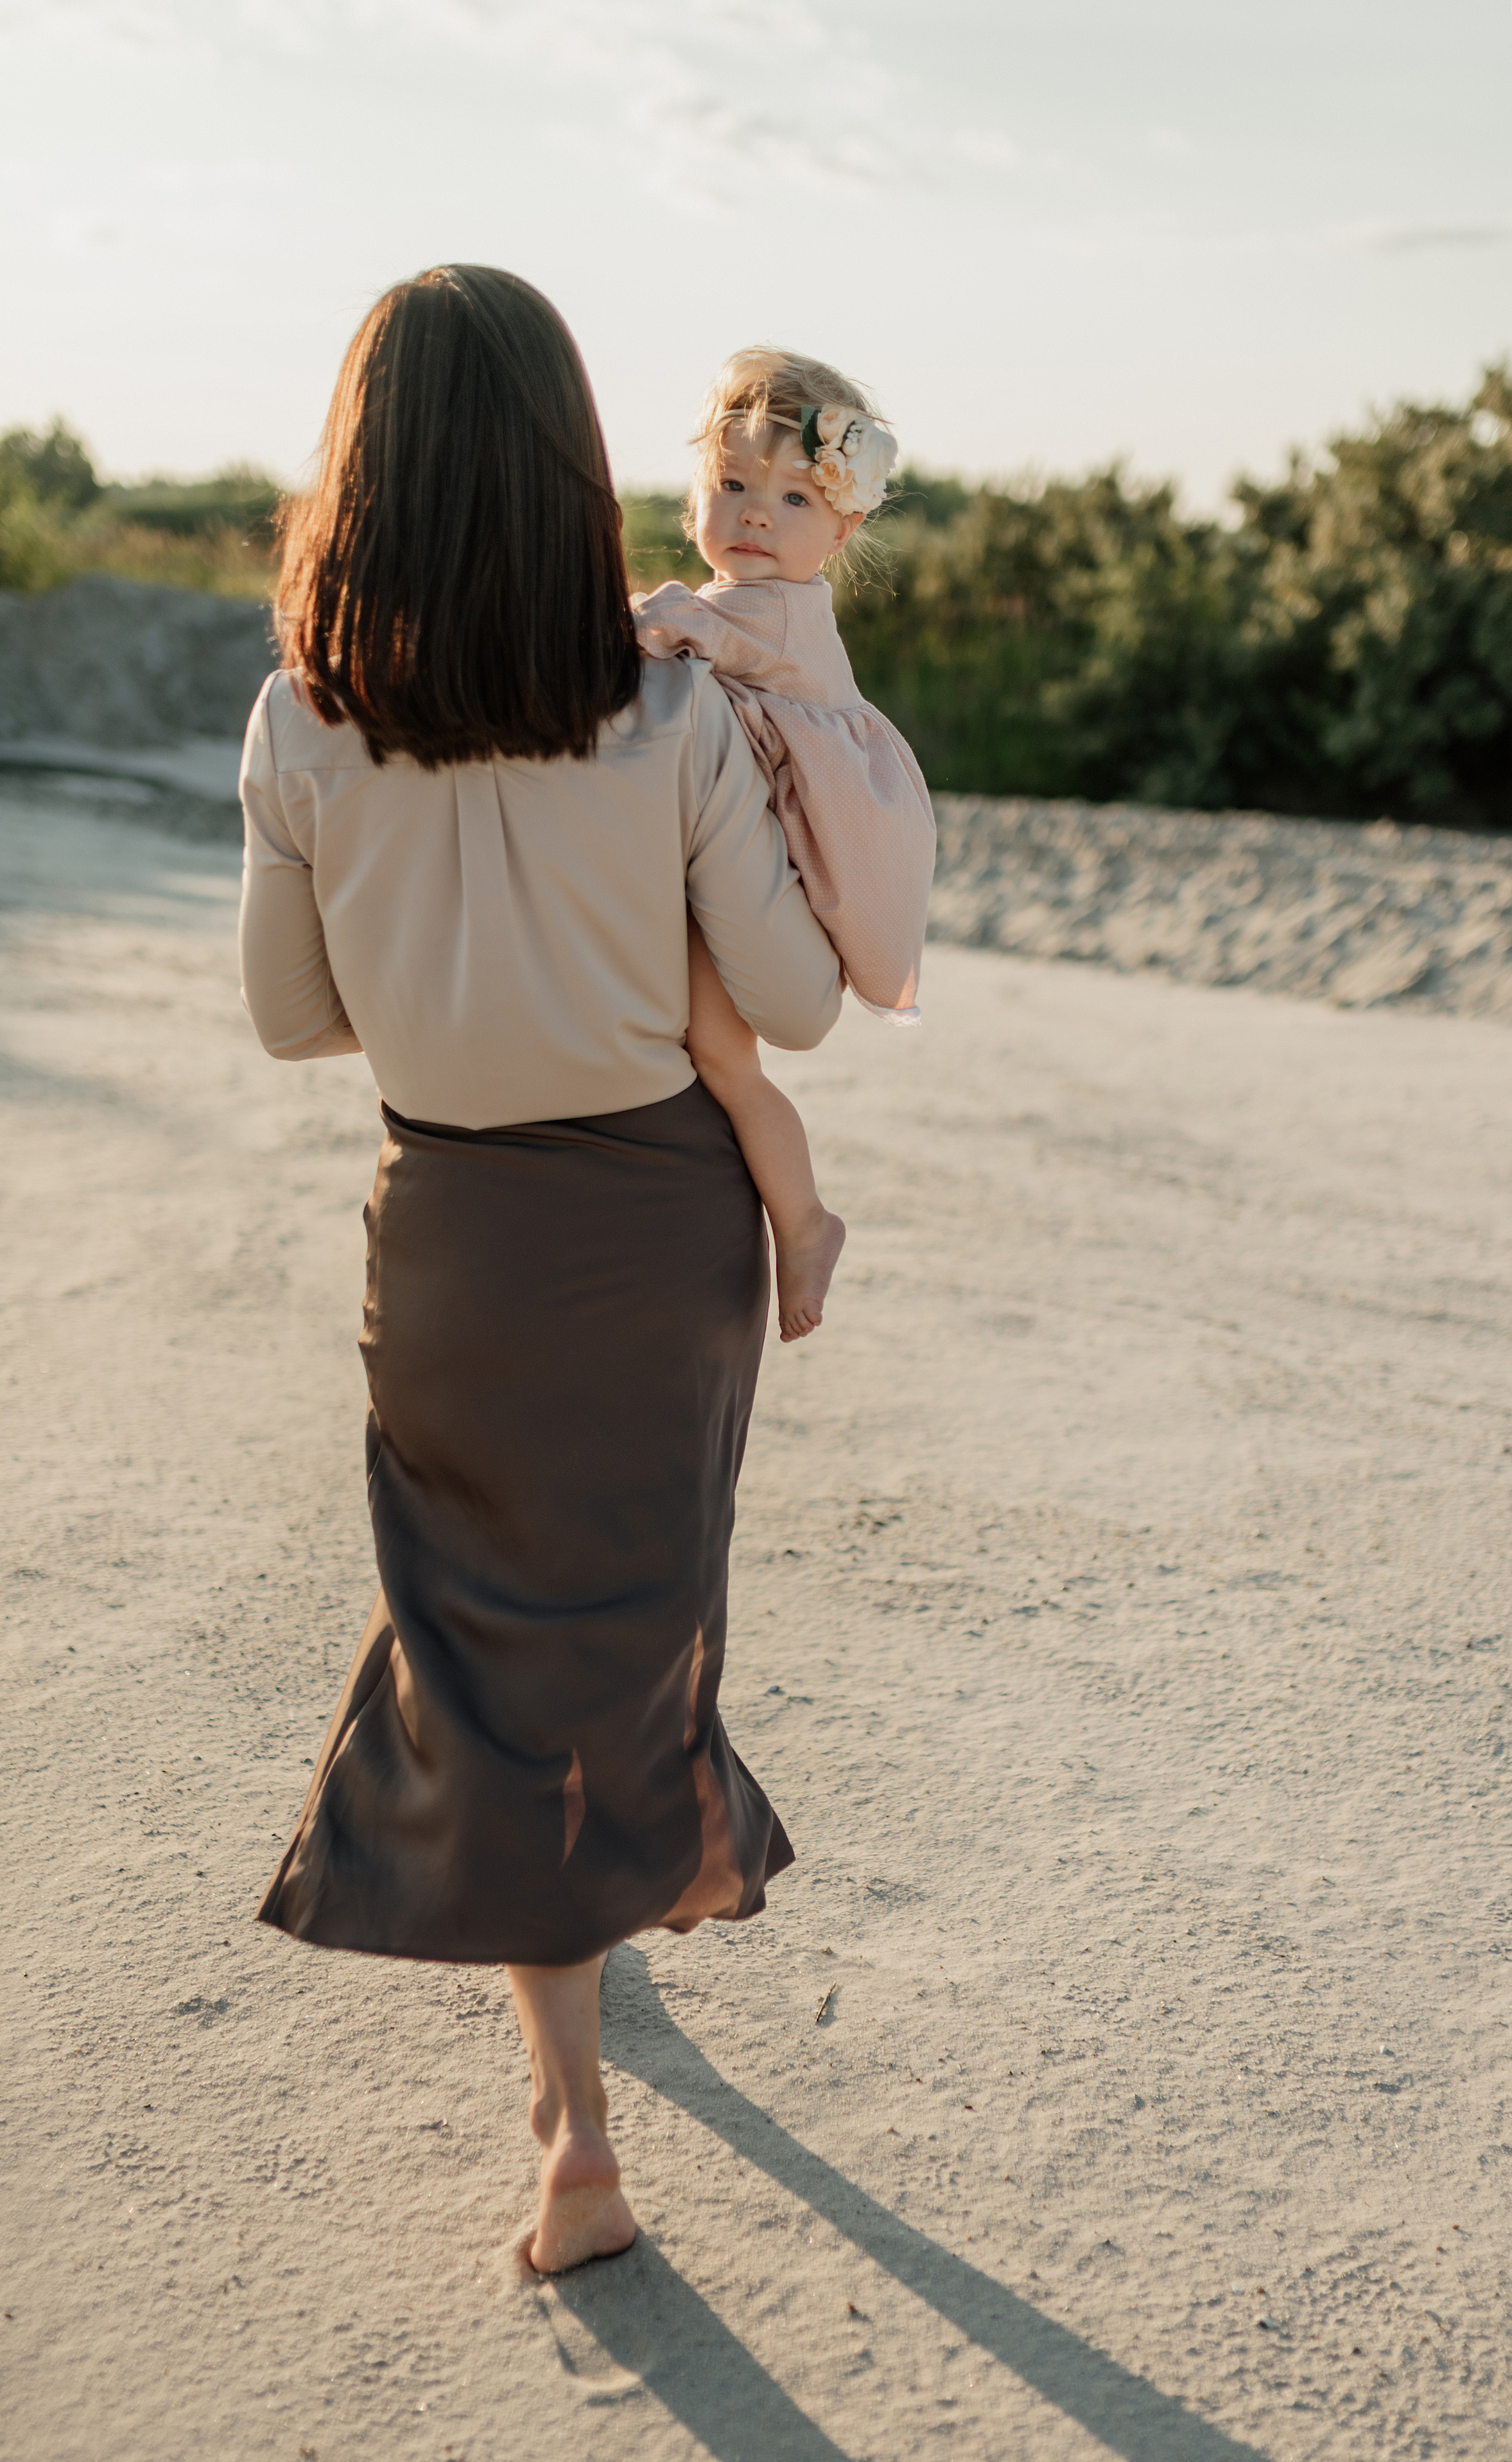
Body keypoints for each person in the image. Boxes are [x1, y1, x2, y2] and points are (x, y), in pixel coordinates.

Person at [237, 267, 843, 2275]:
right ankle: (594, 1917)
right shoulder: (671, 705)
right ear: (568, 467)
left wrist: (452, 960)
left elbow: (294, 1022)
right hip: (670, 1231)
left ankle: (573, 2122)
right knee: (632, 1603)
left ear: (364, 475)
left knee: (476, 1627)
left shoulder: (303, 722)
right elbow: (797, 1006)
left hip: (463, 1234)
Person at [633, 348, 935, 1341]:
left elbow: (658, 631)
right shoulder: (739, 609)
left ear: (844, 528)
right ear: (693, 505)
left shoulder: (773, 615)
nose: (756, 514)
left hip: (804, 860)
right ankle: (793, 1215)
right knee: (712, 1050)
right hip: (759, 849)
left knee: (727, 1057)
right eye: (731, 485)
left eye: (795, 498)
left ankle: (803, 1220)